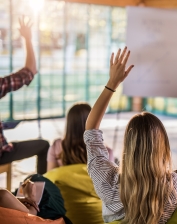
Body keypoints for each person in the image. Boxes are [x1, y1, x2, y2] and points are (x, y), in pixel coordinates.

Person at [84, 47, 177, 224]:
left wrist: (112, 84)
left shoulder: (107, 180)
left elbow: (91, 130)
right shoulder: (172, 182)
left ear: (128, 145)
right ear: (162, 146)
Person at [0, 17, 49, 174]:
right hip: (2, 153)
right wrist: (27, 38)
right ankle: (42, 193)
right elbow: (30, 71)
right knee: (44, 145)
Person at [47, 103, 114, 171]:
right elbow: (109, 180)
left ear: (69, 123)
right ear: (94, 122)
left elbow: (50, 177)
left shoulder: (56, 147)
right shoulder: (105, 152)